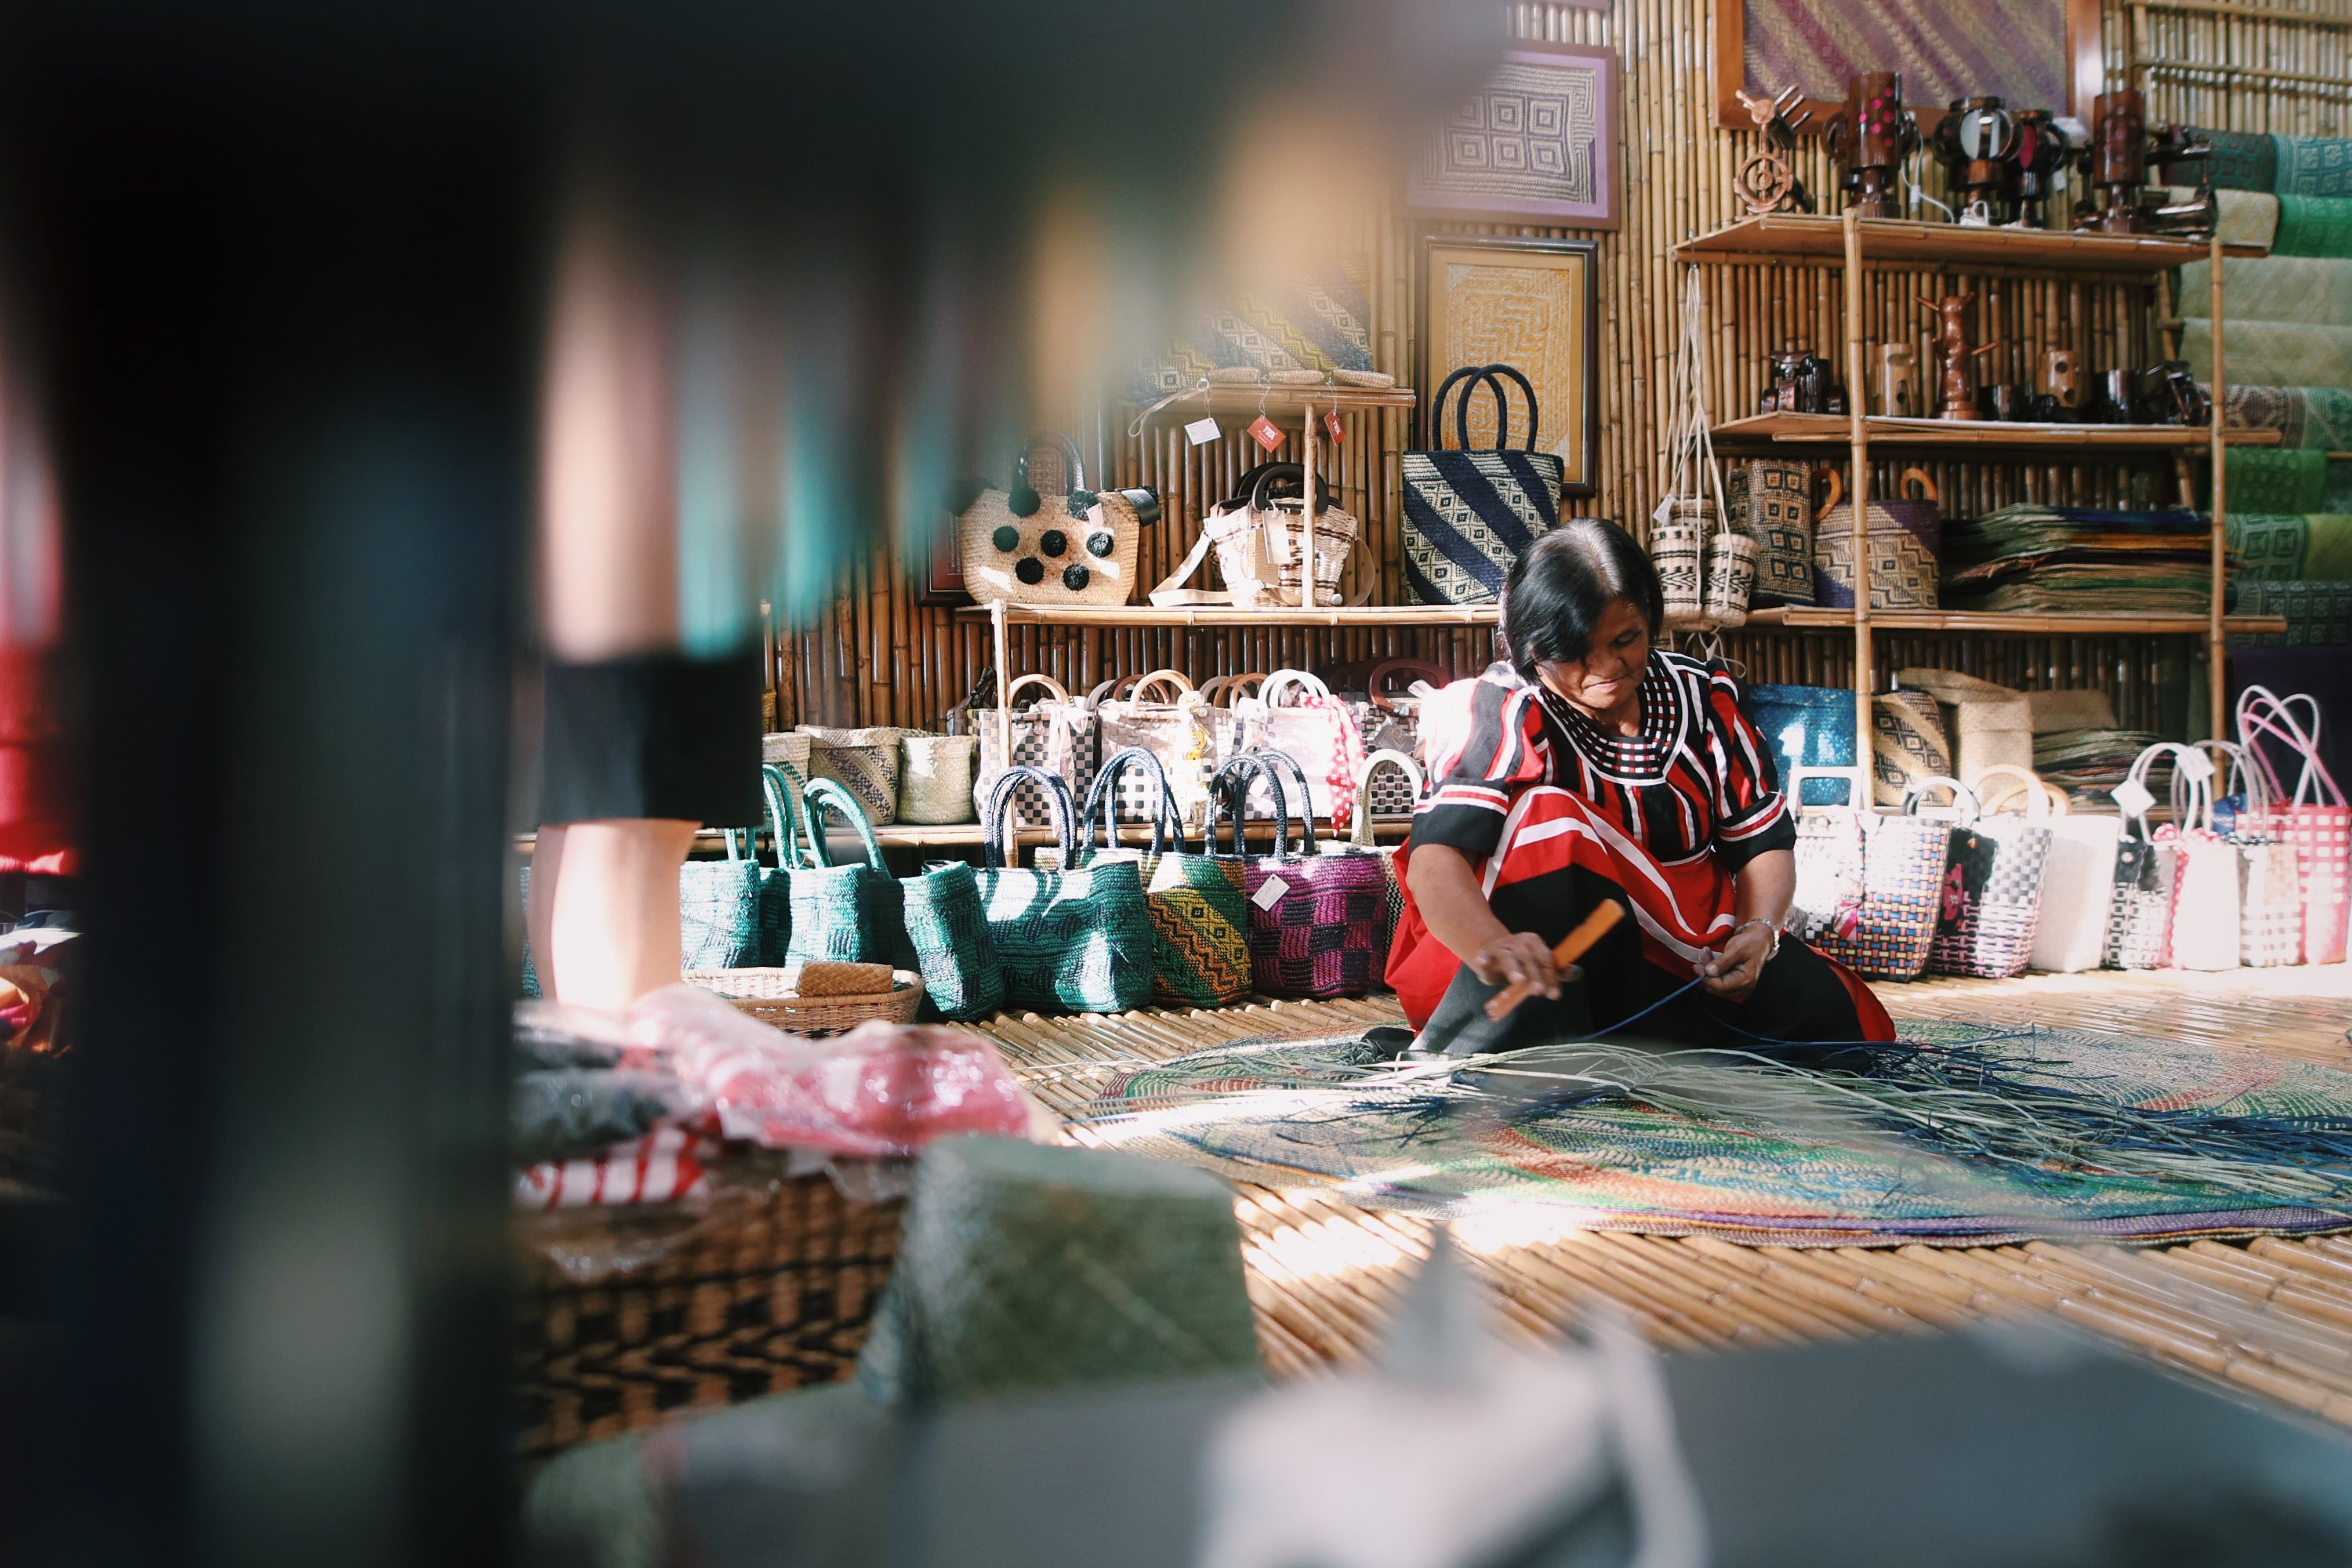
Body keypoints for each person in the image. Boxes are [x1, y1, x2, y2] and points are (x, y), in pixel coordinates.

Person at [1386, 518, 1892, 1054]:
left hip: (1678, 950)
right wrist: (1493, 945)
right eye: (1576, 650)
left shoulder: (1702, 699)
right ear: (1531, 646)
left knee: (1846, 1025)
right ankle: (1510, 1045)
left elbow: (1761, 842)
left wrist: (1760, 930)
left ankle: (1636, 1043)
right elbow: (1435, 862)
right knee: (1549, 820)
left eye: (1626, 639)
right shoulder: (1501, 708)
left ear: (1651, 621)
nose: (1608, 666)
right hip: (1527, 963)